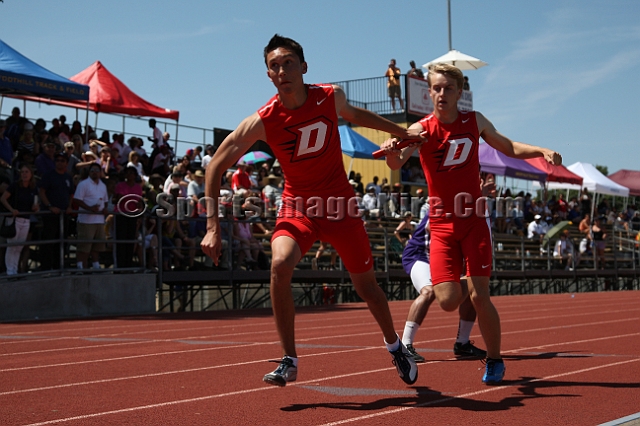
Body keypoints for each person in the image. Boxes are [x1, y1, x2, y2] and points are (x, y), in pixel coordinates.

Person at [201, 34, 420, 388]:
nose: (282, 70)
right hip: (298, 207)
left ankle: (395, 345)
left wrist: (402, 132)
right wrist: (212, 226)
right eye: (274, 65)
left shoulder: (329, 97)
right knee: (279, 264)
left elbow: (356, 115)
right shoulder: (263, 119)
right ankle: (289, 359)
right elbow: (215, 166)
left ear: (303, 67)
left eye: (288, 62)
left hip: (340, 207)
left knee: (366, 287)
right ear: (268, 75)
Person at [380, 63, 562, 384]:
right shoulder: (420, 129)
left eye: (448, 89)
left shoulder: (473, 121)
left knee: (480, 296)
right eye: (435, 88)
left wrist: (541, 150)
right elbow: (395, 162)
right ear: (429, 92)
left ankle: (494, 360)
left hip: (474, 219)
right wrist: (395, 148)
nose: (441, 94)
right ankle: (474, 282)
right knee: (448, 301)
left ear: (459, 93)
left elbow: (508, 146)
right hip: (441, 226)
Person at [400, 203, 486, 362]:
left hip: (444, 259)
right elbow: (443, 234)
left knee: (472, 289)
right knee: (429, 291)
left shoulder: (469, 210)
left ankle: (462, 343)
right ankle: (405, 345)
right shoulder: (442, 205)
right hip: (420, 256)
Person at [1, 165, 39, 276]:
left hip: (26, 220)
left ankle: (15, 270)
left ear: (31, 174)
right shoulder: (15, 186)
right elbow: (3, 198)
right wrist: (11, 210)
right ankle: (10, 271)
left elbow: (36, 204)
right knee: (12, 246)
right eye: (22, 172)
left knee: (19, 247)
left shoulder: (33, 188)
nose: (24, 174)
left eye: (26, 172)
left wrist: (36, 208)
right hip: (14, 219)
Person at [38, 154, 74, 270]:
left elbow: (71, 194)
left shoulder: (68, 178)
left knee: (62, 241)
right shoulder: (48, 175)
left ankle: (59, 267)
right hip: (50, 214)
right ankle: (46, 268)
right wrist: (49, 206)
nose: (59, 162)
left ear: (66, 163)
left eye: (62, 160)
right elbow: (42, 192)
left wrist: (69, 206)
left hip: (64, 215)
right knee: (49, 241)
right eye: (57, 160)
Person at [72, 163, 109, 270]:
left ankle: (96, 265)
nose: (95, 172)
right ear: (89, 172)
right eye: (92, 170)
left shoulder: (103, 185)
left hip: (99, 221)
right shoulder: (83, 184)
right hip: (86, 221)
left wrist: (105, 208)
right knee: (84, 246)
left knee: (97, 245)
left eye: (97, 170)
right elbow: (77, 199)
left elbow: (105, 200)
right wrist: (89, 208)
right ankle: (80, 266)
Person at [113, 166, 143, 268]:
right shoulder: (120, 185)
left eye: (131, 173)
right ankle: (120, 266)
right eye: (127, 173)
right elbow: (119, 198)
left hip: (133, 215)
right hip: (121, 214)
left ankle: (128, 265)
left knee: (131, 240)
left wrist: (139, 205)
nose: (129, 175)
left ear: (135, 175)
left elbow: (139, 201)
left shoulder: (138, 187)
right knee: (121, 241)